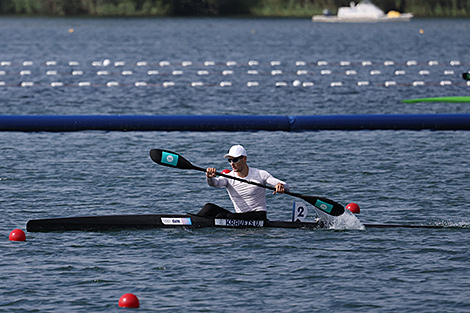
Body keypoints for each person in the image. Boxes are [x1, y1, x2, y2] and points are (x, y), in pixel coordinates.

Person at [198, 144, 289, 220]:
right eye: (230, 160)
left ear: (244, 159)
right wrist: (209, 177)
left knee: (221, 217)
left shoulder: (260, 174)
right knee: (209, 208)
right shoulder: (229, 177)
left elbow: (285, 186)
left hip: (258, 216)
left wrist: (280, 186)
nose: (232, 163)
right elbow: (215, 183)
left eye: (235, 160)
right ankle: (190, 221)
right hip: (239, 217)